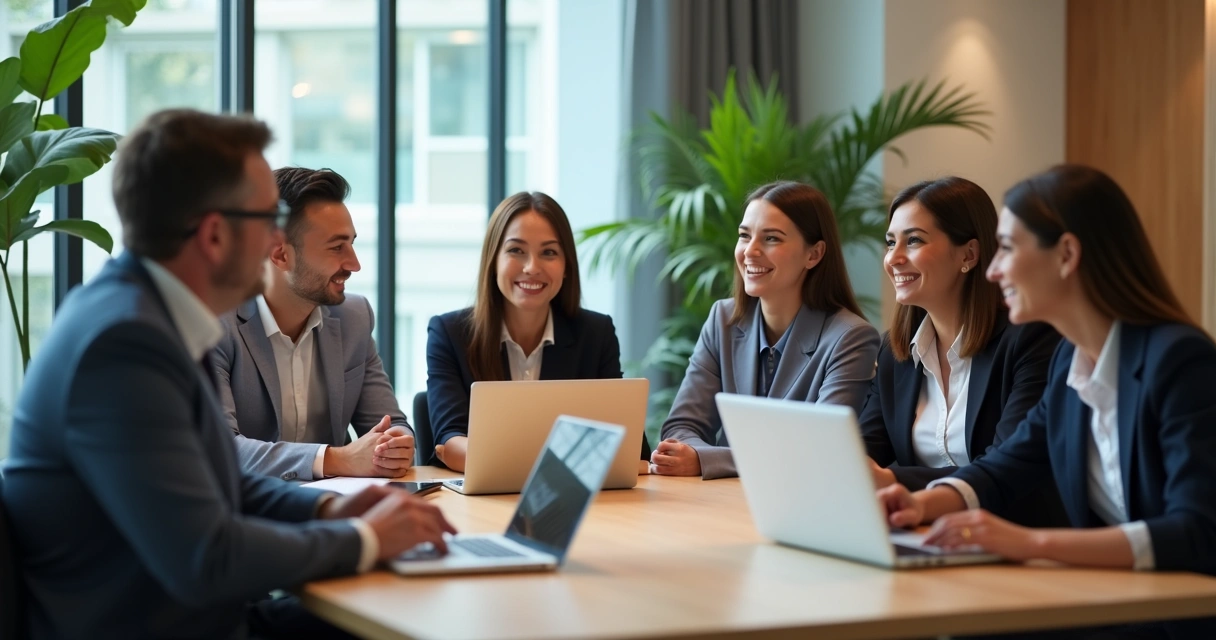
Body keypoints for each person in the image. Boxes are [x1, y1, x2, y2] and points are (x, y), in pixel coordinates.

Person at [0, 109, 454, 639]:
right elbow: (205, 558)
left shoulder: (152, 315)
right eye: (266, 221)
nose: (274, 245)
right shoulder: (123, 345)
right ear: (215, 235)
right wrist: (365, 539)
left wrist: (334, 506)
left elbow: (225, 482)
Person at [880, 165, 1216, 637]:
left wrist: (1028, 541)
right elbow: (1005, 467)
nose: (994, 270)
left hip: (1179, 618)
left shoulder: (1179, 361)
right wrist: (923, 504)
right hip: (1106, 601)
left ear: (1066, 255)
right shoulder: (1070, 364)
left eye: (1009, 249)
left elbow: (1198, 530)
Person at [859, 177, 1062, 524]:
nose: (894, 258)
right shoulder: (896, 352)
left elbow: (1006, 467)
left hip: (1011, 534)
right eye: (891, 242)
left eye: (914, 241)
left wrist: (895, 481)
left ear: (968, 254)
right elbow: (864, 447)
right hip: (926, 531)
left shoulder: (1029, 340)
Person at [653, 181, 880, 479]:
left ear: (814, 254)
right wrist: (696, 455)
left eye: (771, 238)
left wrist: (706, 460)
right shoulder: (723, 319)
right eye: (744, 236)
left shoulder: (850, 338)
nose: (750, 251)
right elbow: (681, 427)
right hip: (718, 501)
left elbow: (821, 450)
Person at [213, 167, 414, 482]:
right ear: (280, 255)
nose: (354, 263)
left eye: (351, 244)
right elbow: (221, 449)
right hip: (248, 514)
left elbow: (390, 423)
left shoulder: (355, 317)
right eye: (337, 248)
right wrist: (337, 459)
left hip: (334, 510)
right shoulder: (214, 322)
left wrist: (396, 444)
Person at [425, 191, 649, 472]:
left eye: (549, 252)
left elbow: (632, 453)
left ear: (566, 266)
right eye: (516, 250)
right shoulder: (449, 333)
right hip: (476, 503)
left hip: (573, 502)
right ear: (493, 259)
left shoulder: (596, 334)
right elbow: (450, 444)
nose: (532, 267)